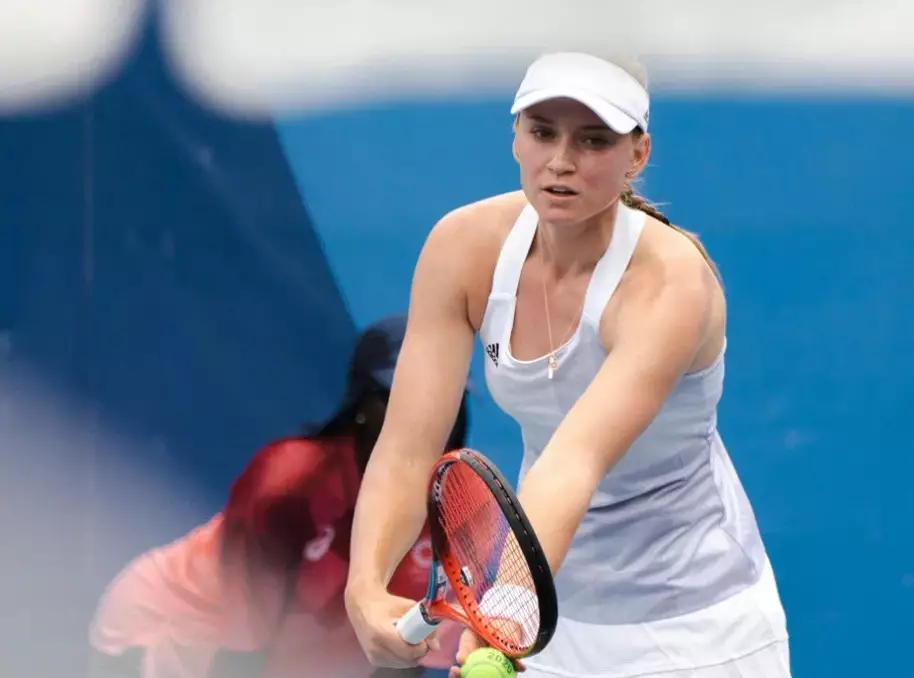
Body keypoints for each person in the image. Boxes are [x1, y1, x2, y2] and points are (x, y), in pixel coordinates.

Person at [343, 51, 790, 678]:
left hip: (696, 633)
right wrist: (364, 585)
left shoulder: (670, 282)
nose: (560, 160)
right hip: (549, 613)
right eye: (543, 132)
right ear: (516, 138)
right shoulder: (463, 248)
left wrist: (503, 613)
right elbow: (408, 449)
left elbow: (575, 460)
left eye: (593, 140)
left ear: (637, 154)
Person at [88, 314, 467, 678]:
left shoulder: (459, 514)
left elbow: (404, 663)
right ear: (362, 407)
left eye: (444, 398)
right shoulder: (289, 483)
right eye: (404, 398)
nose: (427, 419)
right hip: (165, 640)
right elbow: (240, 652)